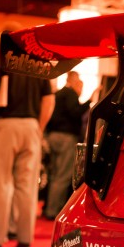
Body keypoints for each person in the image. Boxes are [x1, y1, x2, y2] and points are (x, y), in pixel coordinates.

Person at [0, 24, 54, 247]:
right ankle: (24, 237)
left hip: (3, 126)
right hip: (31, 127)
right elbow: (49, 100)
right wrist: (38, 128)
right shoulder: (39, 61)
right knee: (27, 185)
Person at [43, 71, 100, 220]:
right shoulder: (69, 93)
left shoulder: (57, 94)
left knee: (53, 175)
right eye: (79, 83)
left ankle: (47, 207)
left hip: (53, 136)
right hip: (66, 137)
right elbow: (75, 112)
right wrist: (90, 100)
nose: (80, 87)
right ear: (73, 80)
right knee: (62, 176)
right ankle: (54, 211)